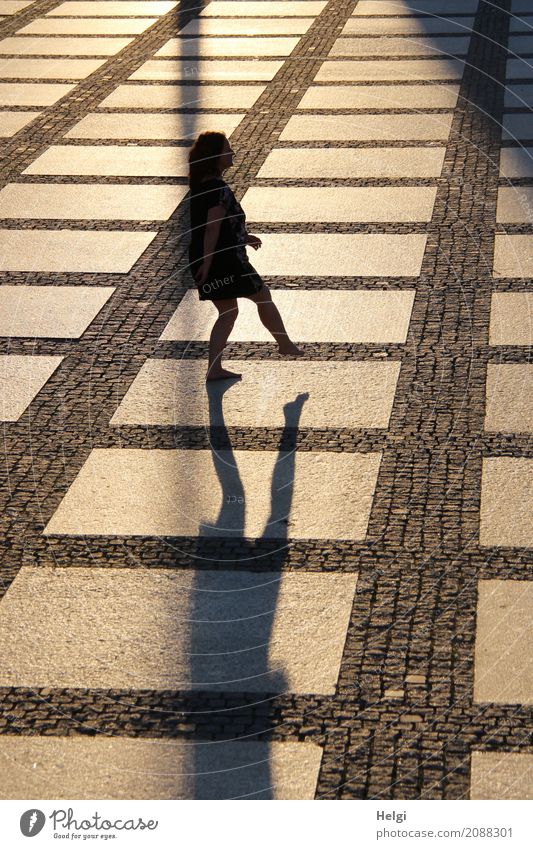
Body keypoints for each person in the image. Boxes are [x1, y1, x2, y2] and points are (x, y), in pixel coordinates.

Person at [188, 131, 302, 381]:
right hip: (224, 261)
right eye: (227, 149)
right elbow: (212, 228)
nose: (232, 152)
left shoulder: (201, 185)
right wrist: (208, 265)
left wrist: (244, 237)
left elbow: (219, 225)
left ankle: (214, 368)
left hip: (211, 258)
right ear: (215, 156)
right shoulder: (217, 189)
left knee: (228, 312)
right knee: (262, 296)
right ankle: (283, 343)